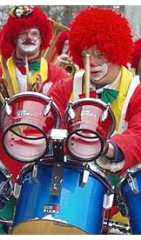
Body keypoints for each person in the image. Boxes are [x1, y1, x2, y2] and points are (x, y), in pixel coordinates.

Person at [0, 5, 68, 234]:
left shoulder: (58, 74)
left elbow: (64, 120)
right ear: (14, 36)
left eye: (35, 33)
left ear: (42, 38)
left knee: (33, 228)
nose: (29, 37)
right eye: (24, 32)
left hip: (41, 166)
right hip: (1, 163)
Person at [48, 7, 141, 233]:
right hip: (71, 190)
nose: (95, 63)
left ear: (117, 51)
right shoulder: (66, 87)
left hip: (123, 198)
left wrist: (109, 147)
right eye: (88, 55)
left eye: (102, 55)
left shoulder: (136, 90)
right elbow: (47, 123)